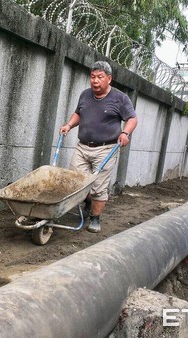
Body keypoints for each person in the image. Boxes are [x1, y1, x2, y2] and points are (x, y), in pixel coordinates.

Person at [60, 61, 138, 233]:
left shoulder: (120, 98)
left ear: (109, 79)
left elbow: (132, 119)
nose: (95, 81)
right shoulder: (85, 95)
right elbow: (79, 113)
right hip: (82, 147)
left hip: (105, 149)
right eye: (93, 77)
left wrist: (125, 134)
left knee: (99, 187)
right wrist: (68, 125)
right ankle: (88, 201)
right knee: (77, 181)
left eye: (100, 77)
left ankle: (95, 219)